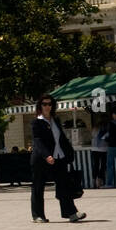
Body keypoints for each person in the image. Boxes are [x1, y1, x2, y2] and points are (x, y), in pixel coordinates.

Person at [30, 94, 85, 223]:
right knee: (38, 187)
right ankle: (38, 215)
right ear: (40, 106)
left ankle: (71, 213)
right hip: (41, 159)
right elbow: (37, 141)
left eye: (50, 104)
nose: (47, 107)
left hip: (58, 157)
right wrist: (46, 155)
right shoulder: (36, 122)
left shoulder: (56, 120)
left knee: (63, 184)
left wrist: (69, 153)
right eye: (44, 104)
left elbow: (61, 139)